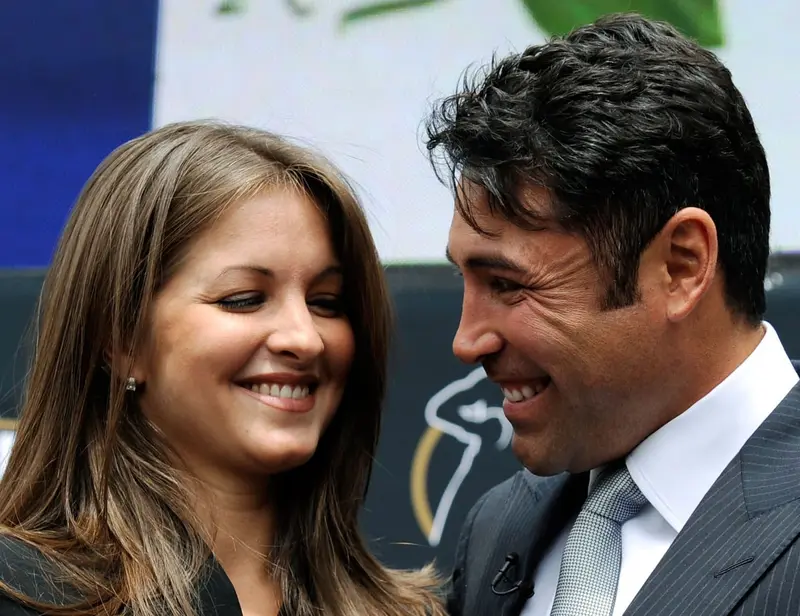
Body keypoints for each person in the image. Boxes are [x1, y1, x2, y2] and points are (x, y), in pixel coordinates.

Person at [425, 12, 800, 616]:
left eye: (507, 284)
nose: (467, 342)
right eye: (464, 280)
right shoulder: (497, 526)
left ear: (681, 266)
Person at [0, 120, 446, 616]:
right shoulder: (18, 592)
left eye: (327, 302)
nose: (304, 338)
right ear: (120, 339)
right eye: (244, 299)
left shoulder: (417, 611)